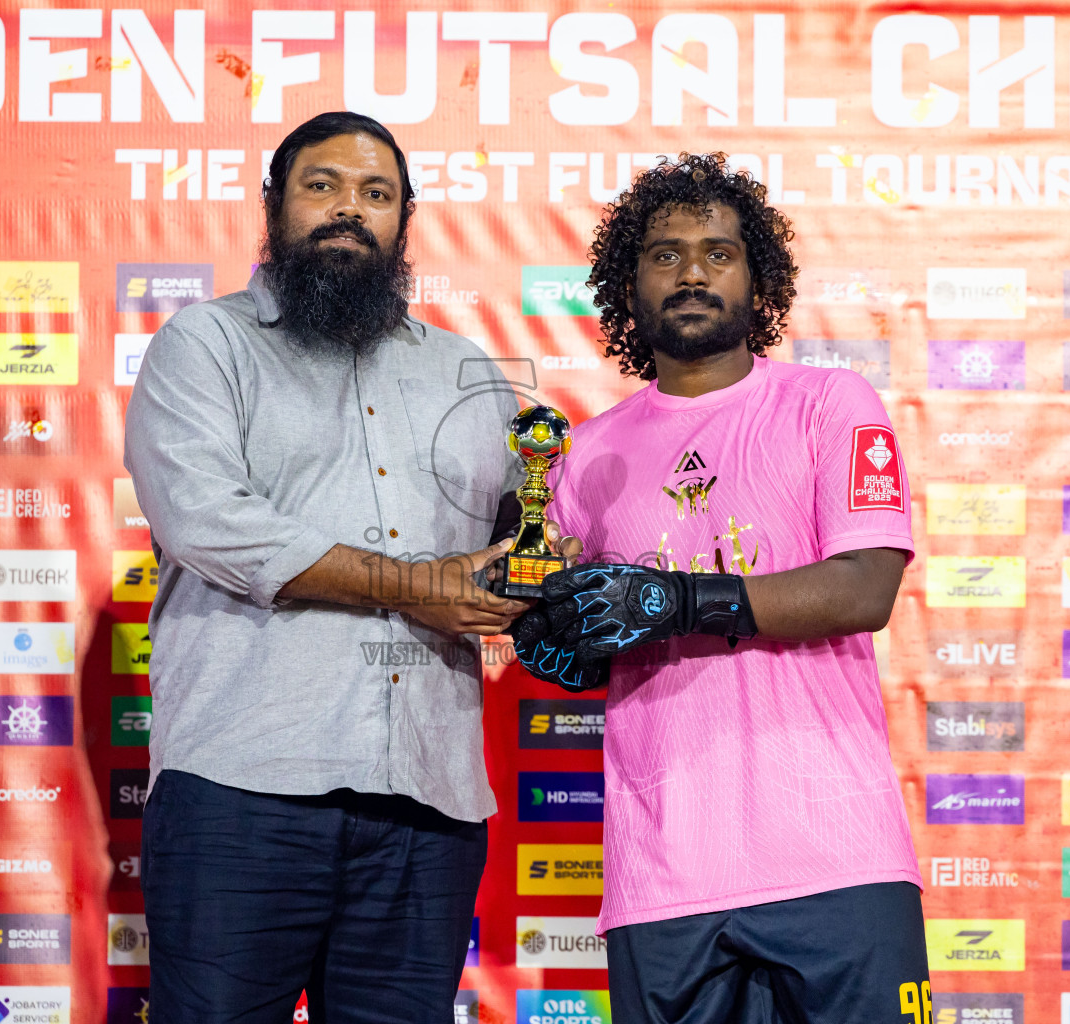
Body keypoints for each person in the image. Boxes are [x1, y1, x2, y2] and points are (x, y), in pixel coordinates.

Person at [123, 110, 532, 1024]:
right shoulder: (206, 345)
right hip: (242, 790)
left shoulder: (469, 373)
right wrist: (416, 587)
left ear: (404, 221)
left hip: (427, 802)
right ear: (273, 205)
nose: (350, 209)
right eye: (324, 186)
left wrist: (554, 562)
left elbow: (527, 530)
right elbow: (211, 524)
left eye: (375, 194)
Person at [512, 153, 930, 1024]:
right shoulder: (583, 457)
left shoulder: (830, 403)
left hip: (839, 862)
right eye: (665, 254)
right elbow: (572, 623)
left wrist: (680, 601)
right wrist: (560, 645)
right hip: (663, 880)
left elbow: (864, 589)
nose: (692, 271)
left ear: (758, 277)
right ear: (627, 285)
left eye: (718, 252)